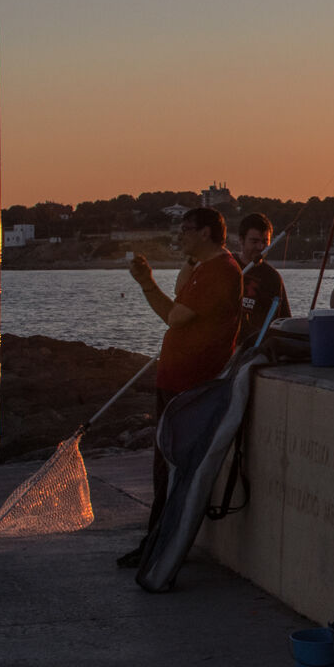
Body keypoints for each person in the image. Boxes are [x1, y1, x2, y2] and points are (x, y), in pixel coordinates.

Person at [117, 206, 242, 569]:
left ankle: (159, 547)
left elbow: (174, 317)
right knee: (164, 468)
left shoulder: (221, 271)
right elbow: (180, 301)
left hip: (190, 387)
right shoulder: (203, 269)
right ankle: (157, 542)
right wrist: (185, 266)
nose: (180, 235)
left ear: (206, 233)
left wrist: (145, 283)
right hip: (175, 381)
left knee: (170, 470)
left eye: (187, 230)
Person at [236, 213, 289, 339]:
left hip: (252, 347)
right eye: (254, 241)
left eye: (265, 241)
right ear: (241, 240)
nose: (260, 247)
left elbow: (283, 320)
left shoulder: (272, 277)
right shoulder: (228, 265)